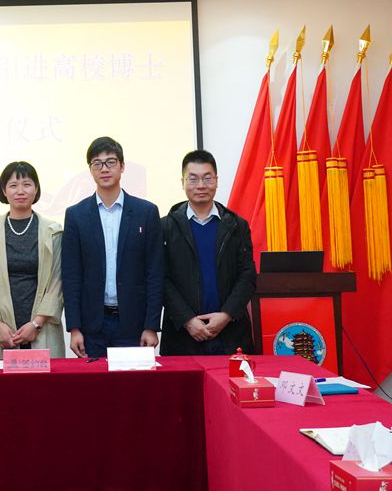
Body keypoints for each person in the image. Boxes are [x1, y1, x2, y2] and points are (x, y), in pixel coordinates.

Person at [62, 137, 163, 358]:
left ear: (122, 166)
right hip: (92, 325)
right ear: (90, 170)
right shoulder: (76, 215)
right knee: (94, 381)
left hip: (134, 323)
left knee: (133, 380)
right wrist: (74, 328)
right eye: (97, 163)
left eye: (111, 162)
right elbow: (71, 276)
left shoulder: (146, 212)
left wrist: (151, 325)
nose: (104, 169)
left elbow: (155, 273)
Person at [160, 149, 256, 356]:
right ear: (182, 182)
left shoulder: (237, 225)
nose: (201, 185)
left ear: (216, 181)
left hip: (230, 334)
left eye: (207, 178)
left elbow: (247, 275)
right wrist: (187, 320)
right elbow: (161, 278)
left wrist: (226, 315)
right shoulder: (165, 227)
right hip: (182, 337)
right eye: (193, 179)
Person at [0, 161, 64, 358]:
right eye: (13, 185)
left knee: (45, 378)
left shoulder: (53, 232)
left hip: (42, 329)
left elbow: (58, 282)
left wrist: (36, 324)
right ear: (4, 191)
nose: (20, 191)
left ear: (36, 189)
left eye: (27, 184)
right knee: (0, 379)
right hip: (1, 333)